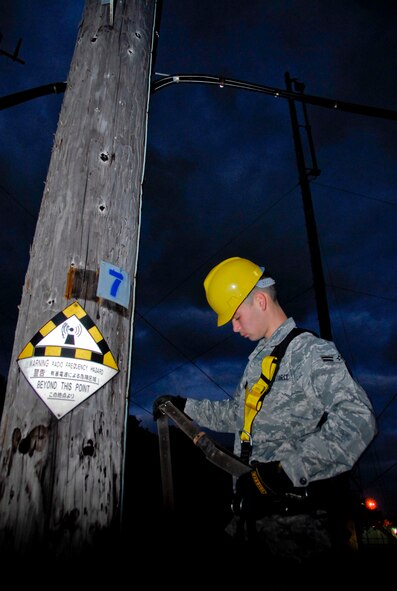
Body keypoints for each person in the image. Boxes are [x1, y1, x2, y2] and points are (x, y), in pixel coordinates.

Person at [153, 256, 377, 567]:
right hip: (251, 519)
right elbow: (237, 414)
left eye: (236, 317)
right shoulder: (259, 360)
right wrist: (185, 406)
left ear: (260, 301)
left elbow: (359, 419)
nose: (234, 327)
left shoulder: (308, 352)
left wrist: (284, 473)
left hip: (297, 530)